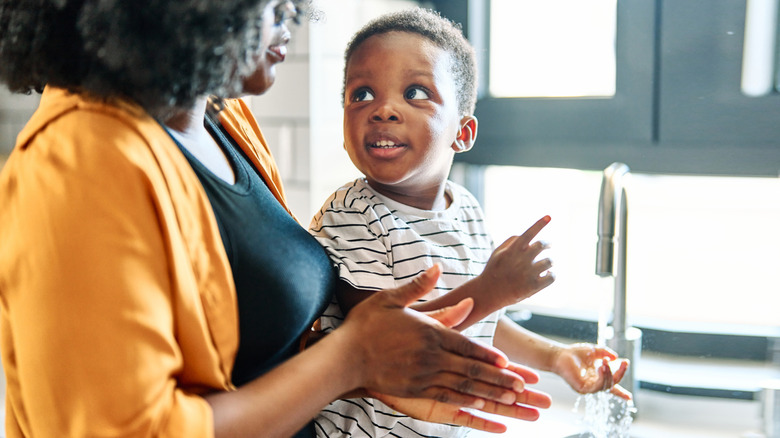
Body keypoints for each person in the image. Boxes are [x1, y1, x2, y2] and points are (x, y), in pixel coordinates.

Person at [0, 1, 551, 437]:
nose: (293, 13)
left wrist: (377, 376)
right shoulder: (78, 162)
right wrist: (351, 360)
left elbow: (261, 350)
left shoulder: (219, 114)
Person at [309, 8, 631, 438]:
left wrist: (555, 358)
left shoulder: (464, 208)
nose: (383, 109)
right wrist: (491, 289)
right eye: (362, 94)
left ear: (462, 132)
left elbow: (483, 320)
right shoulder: (352, 214)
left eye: (415, 92)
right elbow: (383, 341)